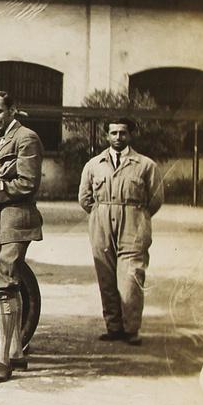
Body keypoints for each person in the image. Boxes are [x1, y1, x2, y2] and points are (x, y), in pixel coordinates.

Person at [0, 91, 44, 384]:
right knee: (4, 284)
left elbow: (27, 182)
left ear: (13, 110)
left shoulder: (26, 138)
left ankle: (1, 360)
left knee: (4, 286)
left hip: (13, 221)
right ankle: (15, 351)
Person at [78, 118, 164, 345]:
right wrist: (101, 213)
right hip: (101, 221)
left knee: (131, 277)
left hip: (133, 222)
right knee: (106, 275)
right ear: (107, 136)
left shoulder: (146, 165)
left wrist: (138, 217)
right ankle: (113, 327)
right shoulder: (94, 164)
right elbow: (84, 198)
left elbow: (155, 199)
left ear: (130, 135)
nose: (118, 137)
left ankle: (131, 329)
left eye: (122, 133)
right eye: (113, 133)